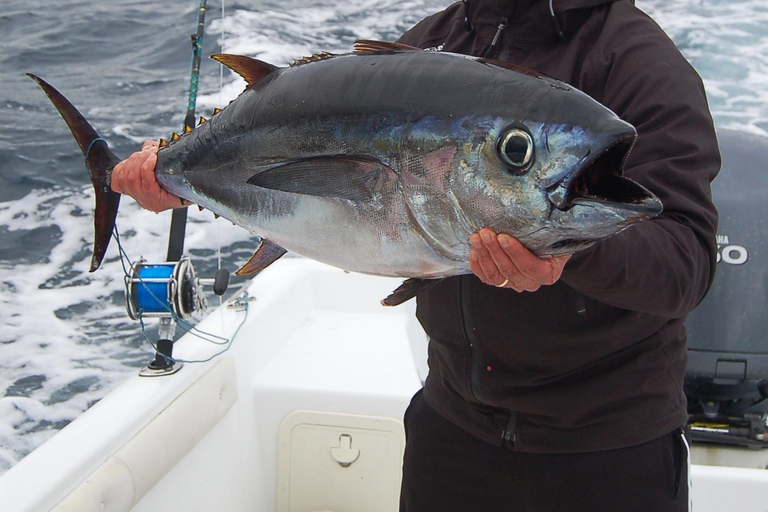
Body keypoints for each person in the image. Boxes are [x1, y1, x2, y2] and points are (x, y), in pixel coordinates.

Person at [112, 0, 720, 510]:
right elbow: (301, 164)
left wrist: (571, 254)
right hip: (452, 431)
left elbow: (685, 261)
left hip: (607, 452)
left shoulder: (640, 64)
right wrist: (176, 172)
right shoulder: (432, 44)